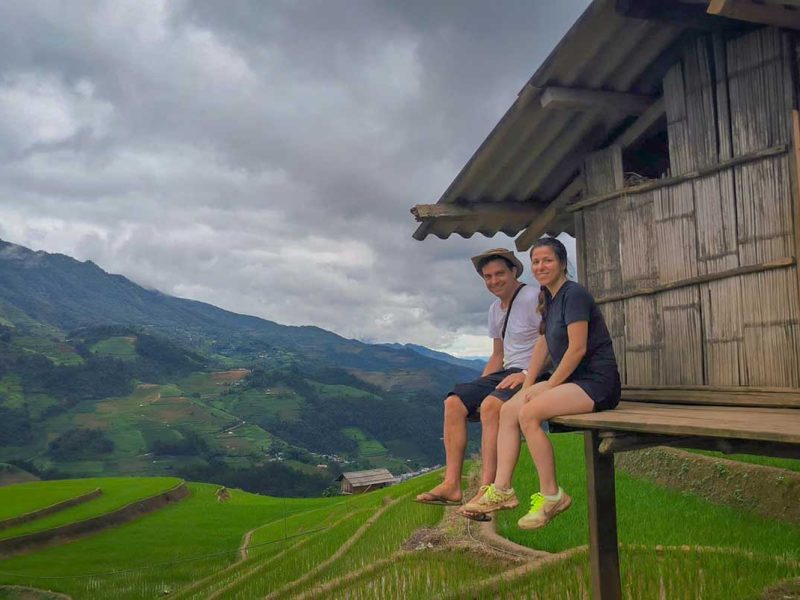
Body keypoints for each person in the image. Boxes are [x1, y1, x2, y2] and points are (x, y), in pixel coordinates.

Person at [462, 237, 620, 529]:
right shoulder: (549, 298)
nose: (540, 266)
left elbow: (577, 348)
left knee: (529, 414)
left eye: (547, 260)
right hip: (572, 382)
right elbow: (543, 343)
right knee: (509, 409)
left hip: (596, 383)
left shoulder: (574, 295)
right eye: (536, 261)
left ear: (562, 263)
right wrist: (529, 384)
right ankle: (502, 489)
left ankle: (552, 495)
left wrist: (549, 385)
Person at [416, 248, 541, 507]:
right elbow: (498, 354)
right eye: (488, 276)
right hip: (508, 372)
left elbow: (551, 341)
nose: (494, 281)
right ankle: (452, 484)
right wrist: (480, 387)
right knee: (454, 402)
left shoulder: (533, 297)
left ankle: (488, 488)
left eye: (499, 274)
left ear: (514, 271)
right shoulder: (495, 309)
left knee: (491, 405)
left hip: (537, 372)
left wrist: (527, 374)